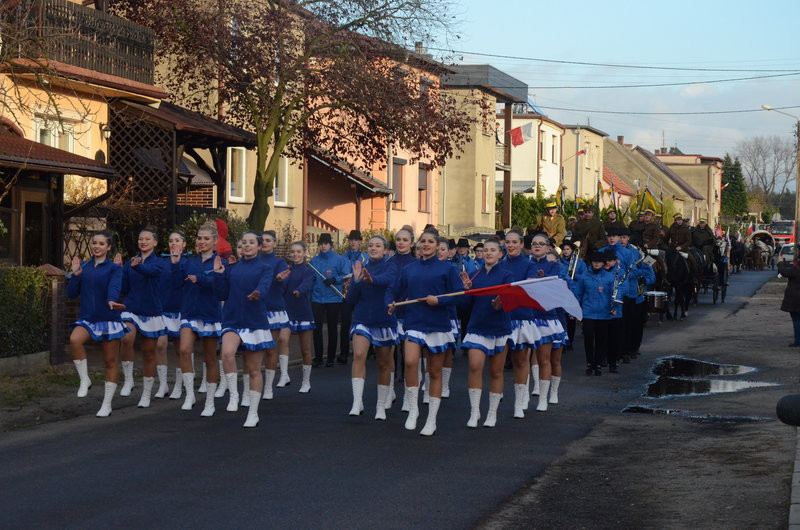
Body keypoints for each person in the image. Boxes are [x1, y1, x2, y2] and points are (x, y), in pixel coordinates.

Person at [387, 227, 463, 436]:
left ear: (437, 246)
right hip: (414, 322)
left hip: (438, 324)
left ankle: (431, 419)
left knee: (434, 371)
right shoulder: (409, 269)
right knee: (410, 361)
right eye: (423, 241)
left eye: (430, 242)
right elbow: (393, 290)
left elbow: (460, 295)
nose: (426, 245)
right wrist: (390, 302)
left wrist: (440, 300)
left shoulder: (447, 269)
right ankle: (413, 409)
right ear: (418, 245)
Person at [67, 231, 127, 417]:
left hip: (108, 318)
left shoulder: (114, 268)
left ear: (108, 247)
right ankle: (85, 379)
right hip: (88, 318)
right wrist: (76, 275)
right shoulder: (84, 266)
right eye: (94, 243)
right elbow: (70, 294)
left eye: (101, 243)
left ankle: (107, 404)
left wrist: (111, 300)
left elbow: (115, 287)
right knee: (74, 340)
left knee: (110, 361)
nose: (96, 246)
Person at [171, 224, 224, 413]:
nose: (202, 241)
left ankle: (209, 401)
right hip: (189, 312)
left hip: (210, 314)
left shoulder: (220, 262)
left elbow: (219, 286)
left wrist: (200, 279)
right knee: (184, 350)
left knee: (210, 359)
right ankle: (190, 395)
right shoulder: (188, 261)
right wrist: (175, 264)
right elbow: (176, 284)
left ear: (215, 241)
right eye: (199, 238)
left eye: (206, 238)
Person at [461, 238, 513, 428]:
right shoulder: (473, 275)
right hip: (477, 326)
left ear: (500, 254)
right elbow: (465, 307)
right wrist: (466, 291)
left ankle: (492, 413)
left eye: (493, 250)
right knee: (475, 366)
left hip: (499, 327)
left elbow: (510, 303)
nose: (488, 253)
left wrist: (500, 304)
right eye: (485, 250)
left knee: (496, 371)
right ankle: (475, 411)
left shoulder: (507, 275)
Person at [347, 235, 399, 419]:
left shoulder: (391, 266)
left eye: (378, 245)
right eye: (370, 245)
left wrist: (371, 280)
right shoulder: (361, 268)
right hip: (362, 319)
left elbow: (386, 280)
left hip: (384, 319)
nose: (373, 248)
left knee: (383, 363)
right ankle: (357, 402)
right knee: (359, 355)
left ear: (385, 250)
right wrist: (356, 281)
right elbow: (350, 299)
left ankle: (380, 406)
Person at [119, 227, 167, 407]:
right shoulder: (130, 263)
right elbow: (124, 288)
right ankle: (128, 380)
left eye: (147, 239)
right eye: (140, 239)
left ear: (155, 242)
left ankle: (146, 393)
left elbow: (151, 272)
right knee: (126, 338)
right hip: (131, 307)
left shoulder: (159, 263)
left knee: (148, 352)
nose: (143, 242)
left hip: (151, 311)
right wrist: (118, 270)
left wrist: (137, 266)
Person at [499, 229, 540, 418]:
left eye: (514, 242)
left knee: (521, 361)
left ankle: (520, 401)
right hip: (503, 317)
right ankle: (496, 394)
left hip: (522, 317)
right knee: (498, 361)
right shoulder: (500, 263)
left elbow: (529, 289)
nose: (510, 245)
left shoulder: (529, 265)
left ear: (522, 244)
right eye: (508, 242)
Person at [527, 232, 568, 411]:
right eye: (534, 243)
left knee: (553, 359)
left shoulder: (554, 266)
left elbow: (555, 289)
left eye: (541, 243)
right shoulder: (526, 265)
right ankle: (534, 391)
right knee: (531, 357)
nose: (537, 246)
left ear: (548, 247)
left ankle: (551, 393)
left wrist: (540, 281)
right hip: (530, 317)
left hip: (551, 318)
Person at [387, 226, 416, 411]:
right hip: (391, 312)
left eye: (405, 240)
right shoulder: (388, 262)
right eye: (398, 239)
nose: (401, 243)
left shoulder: (416, 263)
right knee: (388, 353)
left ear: (412, 243)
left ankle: (408, 394)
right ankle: (389, 391)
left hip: (410, 313)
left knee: (409, 357)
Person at [260, 230, 292, 398]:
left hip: (273, 309)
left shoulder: (279, 262)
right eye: (262, 240)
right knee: (253, 350)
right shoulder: (253, 260)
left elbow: (285, 281)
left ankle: (268, 387)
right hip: (255, 308)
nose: (264, 243)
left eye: (268, 240)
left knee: (270, 349)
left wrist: (279, 279)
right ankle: (253, 387)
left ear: (274, 243)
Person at [310, 233, 349, 367]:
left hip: (333, 298)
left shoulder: (339, 259)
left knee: (332, 328)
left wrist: (335, 279)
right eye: (321, 244)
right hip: (317, 298)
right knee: (317, 328)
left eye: (326, 244)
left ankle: (331, 358)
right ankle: (318, 358)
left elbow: (347, 275)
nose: (323, 246)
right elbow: (311, 279)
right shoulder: (314, 261)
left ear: (330, 245)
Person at [158, 232, 188, 400]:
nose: (173, 243)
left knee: (179, 349)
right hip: (163, 310)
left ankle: (178, 383)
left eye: (177, 240)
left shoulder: (187, 262)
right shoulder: (162, 263)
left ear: (184, 244)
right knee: (160, 344)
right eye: (170, 241)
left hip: (181, 310)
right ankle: (163, 384)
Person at [574, 251, 614, 375]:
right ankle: (590, 363)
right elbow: (578, 294)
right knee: (588, 338)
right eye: (594, 261)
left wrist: (614, 308)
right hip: (588, 312)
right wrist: (576, 310)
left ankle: (598, 364)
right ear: (591, 262)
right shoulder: (584, 276)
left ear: (603, 263)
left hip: (604, 313)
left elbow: (613, 295)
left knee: (601, 339)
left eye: (599, 262)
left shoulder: (609, 277)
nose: (596, 264)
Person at [285, 242, 316, 392]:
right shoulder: (287, 270)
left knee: (305, 350)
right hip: (287, 312)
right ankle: (284, 374)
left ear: (304, 253)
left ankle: (306, 382)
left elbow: (307, 284)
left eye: (298, 252)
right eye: (293, 252)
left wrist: (299, 290)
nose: (295, 254)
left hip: (303, 312)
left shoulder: (308, 271)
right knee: (282, 342)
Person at [340, 230, 368, 365]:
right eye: (351, 240)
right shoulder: (342, 257)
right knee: (345, 324)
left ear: (360, 242)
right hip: (346, 294)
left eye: (356, 240)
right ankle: (344, 353)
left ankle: (367, 350)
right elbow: (339, 273)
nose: (353, 242)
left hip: (361, 294)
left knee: (363, 323)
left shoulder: (365, 257)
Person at [559, 240, 585, 346]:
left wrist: (573, 276)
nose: (565, 251)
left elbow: (584, 276)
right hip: (562, 291)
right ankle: (562, 340)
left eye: (568, 249)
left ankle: (570, 340)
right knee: (562, 317)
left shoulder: (579, 262)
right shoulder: (559, 262)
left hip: (574, 291)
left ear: (572, 250)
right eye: (564, 249)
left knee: (571, 318)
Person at [779, 251, 800, 347]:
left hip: (796, 298)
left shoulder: (796, 269)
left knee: (796, 319)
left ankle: (798, 341)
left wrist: (780, 262)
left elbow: (783, 272)